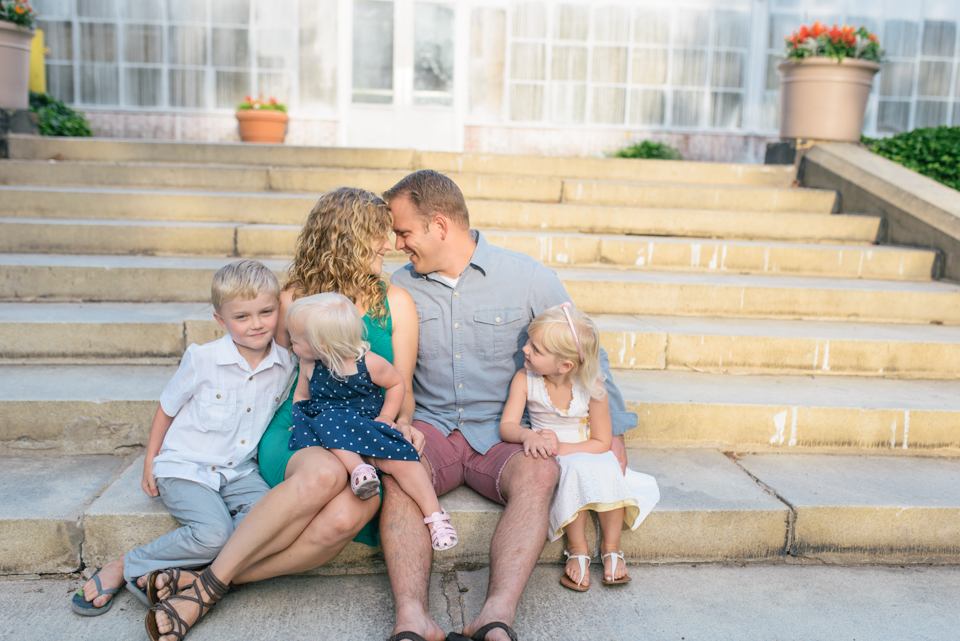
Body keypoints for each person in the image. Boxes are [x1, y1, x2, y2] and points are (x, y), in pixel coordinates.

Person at [145, 187, 423, 641]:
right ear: (349, 236)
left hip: (364, 436)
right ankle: (206, 591)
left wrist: (403, 424)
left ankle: (206, 581)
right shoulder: (292, 300)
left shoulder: (397, 303)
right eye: (380, 235)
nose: (390, 245)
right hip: (301, 429)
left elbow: (401, 386)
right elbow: (261, 376)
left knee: (350, 513)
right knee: (323, 478)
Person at [381, 170, 636, 641]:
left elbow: (585, 354)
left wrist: (612, 432)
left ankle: (495, 618)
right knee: (398, 468)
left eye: (404, 232)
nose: (398, 244)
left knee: (541, 472)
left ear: (440, 226)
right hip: (431, 427)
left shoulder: (529, 277)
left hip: (500, 433)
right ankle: (411, 617)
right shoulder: (400, 285)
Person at [71, 259, 292, 617]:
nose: (256, 324)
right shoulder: (203, 359)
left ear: (278, 309)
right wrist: (150, 460)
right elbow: (167, 407)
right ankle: (127, 565)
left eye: (266, 312)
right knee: (213, 534)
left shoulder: (286, 364)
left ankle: (182, 578)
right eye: (242, 317)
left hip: (238, 471)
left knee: (272, 521)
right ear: (221, 320)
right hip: (187, 467)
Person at [499, 303, 659, 592]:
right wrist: (528, 437)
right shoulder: (525, 380)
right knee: (573, 471)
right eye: (529, 343)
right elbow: (507, 426)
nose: (525, 349)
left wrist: (564, 447)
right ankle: (578, 549)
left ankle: (611, 547)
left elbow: (601, 442)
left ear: (565, 366)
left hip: (583, 447)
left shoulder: (594, 388)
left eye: (535, 349)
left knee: (607, 466)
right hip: (547, 451)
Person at [287, 293, 457, 550]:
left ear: (321, 346)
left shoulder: (369, 363)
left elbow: (396, 383)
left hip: (367, 421)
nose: (290, 344)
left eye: (295, 341)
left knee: (403, 458)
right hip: (331, 426)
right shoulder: (309, 364)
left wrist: (387, 416)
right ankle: (359, 470)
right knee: (328, 421)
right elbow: (302, 394)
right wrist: (299, 418)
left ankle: (435, 516)